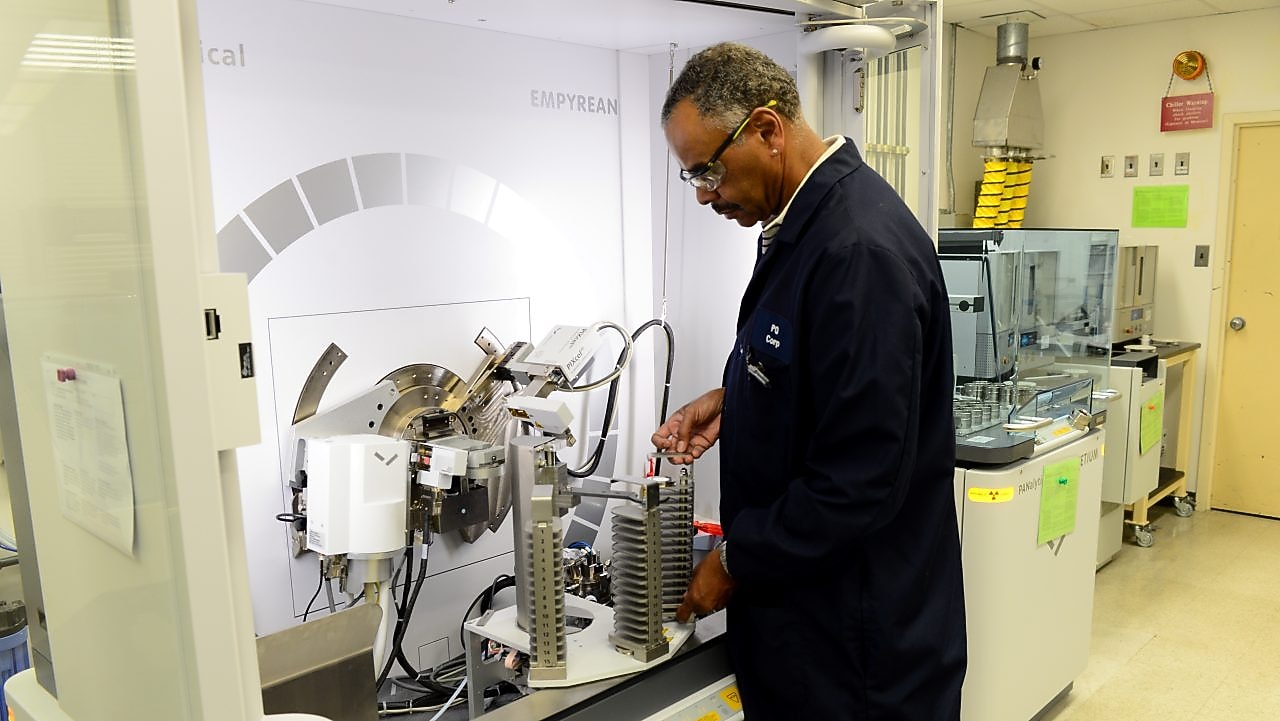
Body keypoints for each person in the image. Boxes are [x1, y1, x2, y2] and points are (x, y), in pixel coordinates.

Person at [652, 42, 966, 720]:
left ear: (767, 130)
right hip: (809, 632)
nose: (705, 193)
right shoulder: (805, 226)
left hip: (858, 653)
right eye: (691, 178)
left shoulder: (858, 251)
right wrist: (739, 399)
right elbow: (828, 382)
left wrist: (733, 558)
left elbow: (858, 479)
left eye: (709, 169)